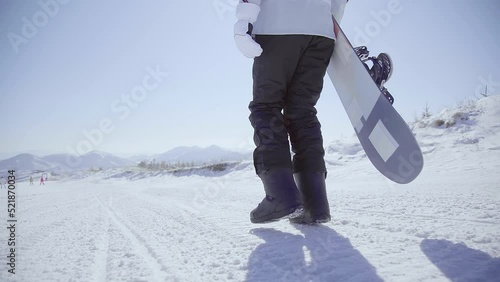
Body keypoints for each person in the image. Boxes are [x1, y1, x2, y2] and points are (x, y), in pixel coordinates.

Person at [234, 0, 350, 224]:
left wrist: (243, 20)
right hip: (322, 32)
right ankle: (315, 205)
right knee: (303, 111)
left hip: (278, 26)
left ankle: (280, 195)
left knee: (266, 106)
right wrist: (330, 22)